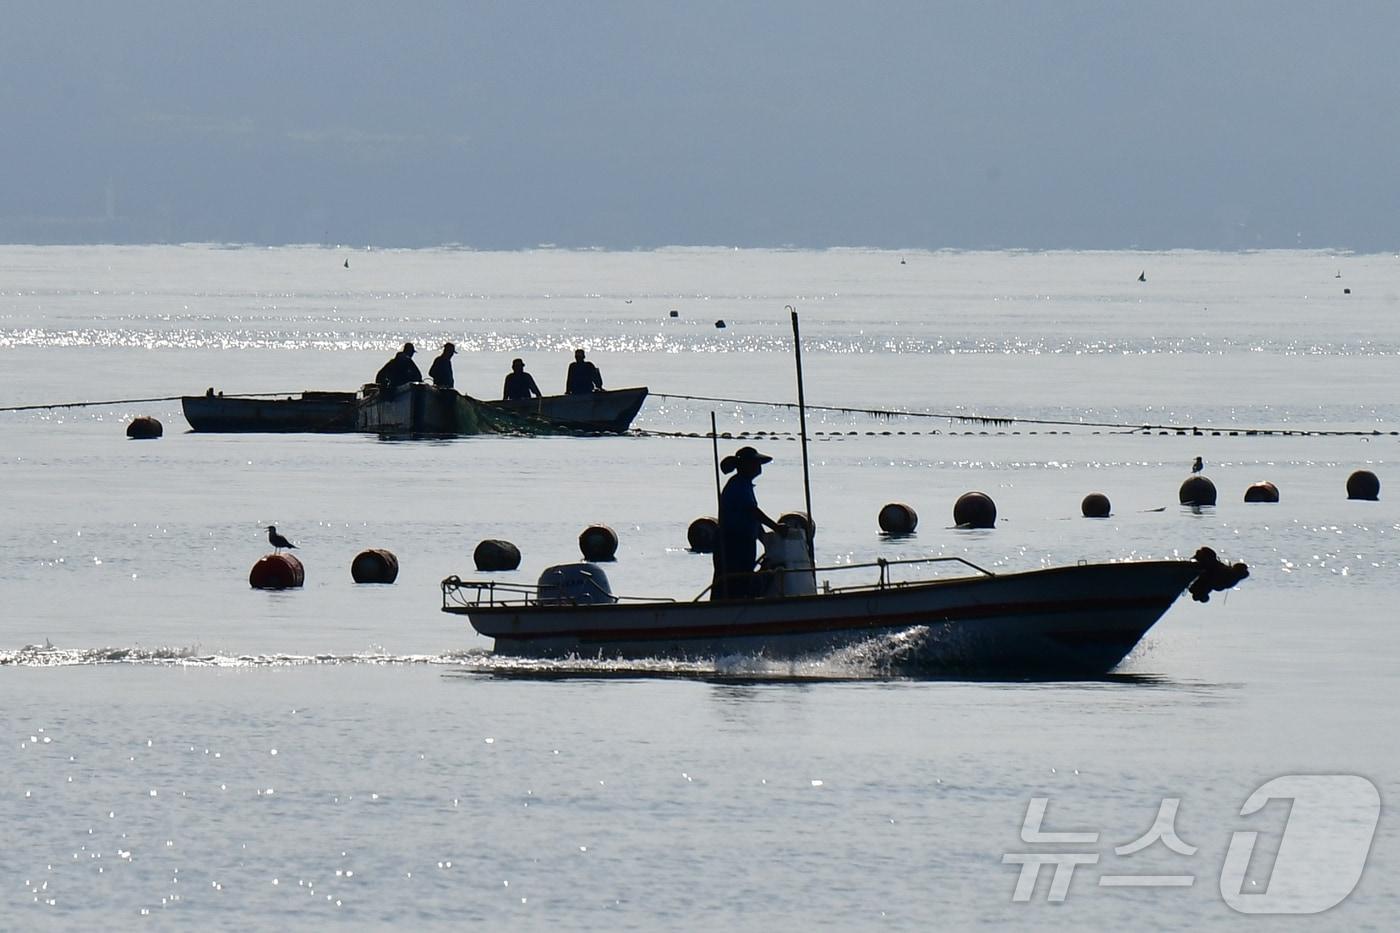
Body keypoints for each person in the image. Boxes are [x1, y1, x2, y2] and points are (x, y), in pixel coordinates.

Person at [711, 446, 779, 600]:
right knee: (733, 583)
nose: (759, 467)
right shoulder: (737, 485)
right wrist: (776, 527)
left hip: (743, 543)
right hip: (733, 544)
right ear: (745, 465)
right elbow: (751, 511)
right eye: (755, 463)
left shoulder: (745, 484)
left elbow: (752, 518)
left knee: (741, 582)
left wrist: (765, 539)